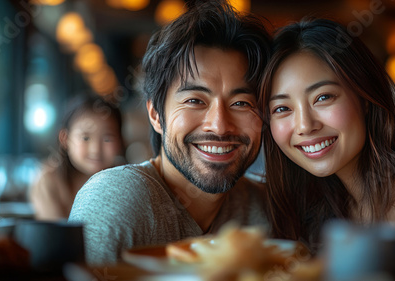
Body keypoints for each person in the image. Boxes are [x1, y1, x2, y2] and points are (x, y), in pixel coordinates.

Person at [68, 1, 272, 265]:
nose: (220, 126)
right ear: (155, 115)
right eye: (195, 101)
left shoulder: (265, 208)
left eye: (241, 103)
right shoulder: (120, 200)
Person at [259, 18, 395, 258]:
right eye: (282, 109)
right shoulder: (302, 214)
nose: (304, 126)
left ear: (364, 98)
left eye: (323, 97)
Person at [30, 95, 125, 220]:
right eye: (85, 138)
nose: (95, 149)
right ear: (65, 139)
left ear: (120, 140)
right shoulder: (48, 180)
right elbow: (57, 236)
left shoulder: (125, 181)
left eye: (107, 138)